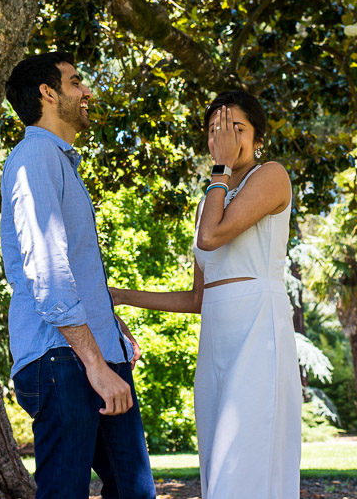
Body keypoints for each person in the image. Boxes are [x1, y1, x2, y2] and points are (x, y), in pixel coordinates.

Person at [110, 90, 301, 499]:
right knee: (218, 454)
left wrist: (220, 169)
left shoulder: (271, 175)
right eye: (216, 129)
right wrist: (124, 295)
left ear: (257, 137)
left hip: (257, 327)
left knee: (247, 451)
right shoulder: (207, 203)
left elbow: (212, 238)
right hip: (215, 337)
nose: (227, 136)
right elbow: (199, 298)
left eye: (238, 127)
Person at [1, 51, 155, 499]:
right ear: (48, 93)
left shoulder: (59, 160)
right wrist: (94, 363)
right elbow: (46, 269)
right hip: (63, 361)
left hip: (95, 355)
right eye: (75, 82)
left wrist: (110, 326)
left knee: (134, 491)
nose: (86, 91)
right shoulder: (34, 157)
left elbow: (77, 269)